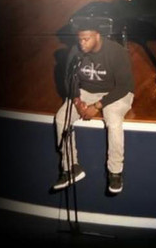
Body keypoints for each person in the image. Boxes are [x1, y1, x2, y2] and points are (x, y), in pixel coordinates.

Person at [51, 18, 135, 194]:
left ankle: (115, 171)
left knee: (113, 120)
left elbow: (123, 86)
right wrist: (77, 101)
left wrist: (97, 106)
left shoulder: (116, 52)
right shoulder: (76, 51)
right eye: (80, 39)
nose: (82, 43)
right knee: (61, 118)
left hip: (116, 92)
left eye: (86, 39)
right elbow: (69, 79)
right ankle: (71, 167)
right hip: (87, 92)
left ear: (97, 36)